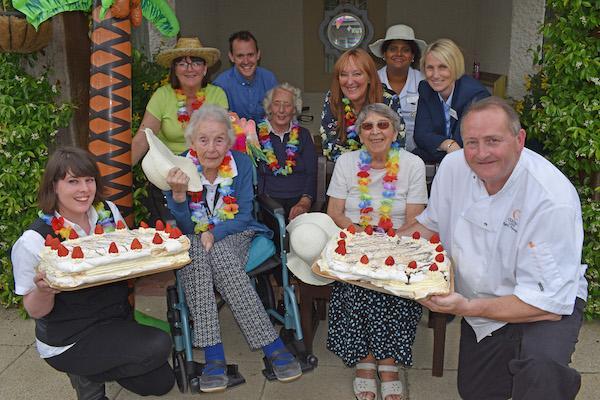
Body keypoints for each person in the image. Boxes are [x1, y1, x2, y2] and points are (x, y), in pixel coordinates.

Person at [401, 97, 588, 400]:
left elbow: (546, 304)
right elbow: (430, 225)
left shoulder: (550, 200)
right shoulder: (453, 168)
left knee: (541, 374)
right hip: (480, 299)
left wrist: (465, 307)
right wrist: (375, 250)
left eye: (493, 141)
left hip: (543, 302)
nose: (481, 153)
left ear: (519, 139)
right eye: (472, 142)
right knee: (477, 391)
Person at [11, 147, 175, 400]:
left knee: (160, 382)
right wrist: (45, 290)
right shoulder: (33, 241)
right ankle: (85, 377)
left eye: (89, 180)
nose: (84, 189)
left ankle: (89, 371)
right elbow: (35, 310)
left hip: (111, 320)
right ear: (54, 186)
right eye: (73, 181)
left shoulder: (108, 212)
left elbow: (124, 262)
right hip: (70, 336)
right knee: (158, 343)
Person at [162, 104, 302, 392]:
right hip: (193, 240)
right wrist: (178, 196)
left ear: (228, 140)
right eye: (203, 140)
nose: (211, 148)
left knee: (219, 253)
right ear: (191, 142)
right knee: (197, 255)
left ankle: (217, 358)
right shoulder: (177, 169)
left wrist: (215, 232)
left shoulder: (241, 164)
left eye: (218, 140)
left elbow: (244, 215)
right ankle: (269, 348)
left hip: (237, 232)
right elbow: (184, 225)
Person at [326, 103, 428, 400]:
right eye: (368, 126)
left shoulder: (412, 164)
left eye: (383, 125)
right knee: (359, 280)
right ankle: (366, 360)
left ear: (395, 131)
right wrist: (364, 238)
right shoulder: (347, 163)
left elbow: (414, 218)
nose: (375, 131)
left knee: (395, 279)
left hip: (399, 241)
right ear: (359, 133)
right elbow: (335, 212)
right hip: (355, 238)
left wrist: (387, 245)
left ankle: (389, 362)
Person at [130, 36, 228, 223]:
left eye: (196, 62)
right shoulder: (162, 96)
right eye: (182, 63)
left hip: (208, 174)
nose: (189, 68)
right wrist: (116, 176)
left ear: (205, 68)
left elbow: (224, 139)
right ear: (174, 69)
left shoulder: (217, 95)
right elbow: (143, 138)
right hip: (170, 174)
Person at [320, 48, 404, 162]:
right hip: (347, 169)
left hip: (383, 168)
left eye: (357, 74)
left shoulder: (388, 99)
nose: (350, 81)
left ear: (369, 77)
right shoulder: (333, 98)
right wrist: (358, 164)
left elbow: (397, 143)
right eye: (343, 75)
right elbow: (330, 147)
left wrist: (371, 164)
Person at [413, 38, 490, 163]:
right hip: (443, 160)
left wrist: (437, 144)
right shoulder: (426, 88)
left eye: (443, 67)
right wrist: (447, 144)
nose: (435, 75)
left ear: (455, 67)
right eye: (430, 68)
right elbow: (420, 135)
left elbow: (464, 144)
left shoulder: (475, 95)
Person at [257, 82, 317, 222]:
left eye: (287, 105)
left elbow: (311, 173)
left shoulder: (303, 135)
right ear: (270, 107)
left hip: (299, 200)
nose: (282, 110)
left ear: (294, 109)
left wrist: (305, 201)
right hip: (267, 201)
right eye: (277, 104)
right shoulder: (256, 135)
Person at [369, 24, 427, 152]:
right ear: (384, 54)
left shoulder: (425, 82)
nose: (399, 54)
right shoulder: (372, 81)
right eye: (393, 49)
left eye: (405, 50)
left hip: (417, 155)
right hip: (378, 154)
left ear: (413, 56)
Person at [214, 31, 278, 122]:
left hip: (266, 134)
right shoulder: (220, 85)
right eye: (240, 56)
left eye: (250, 55)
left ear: (258, 55)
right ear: (231, 57)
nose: (246, 61)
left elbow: (279, 115)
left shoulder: (269, 79)